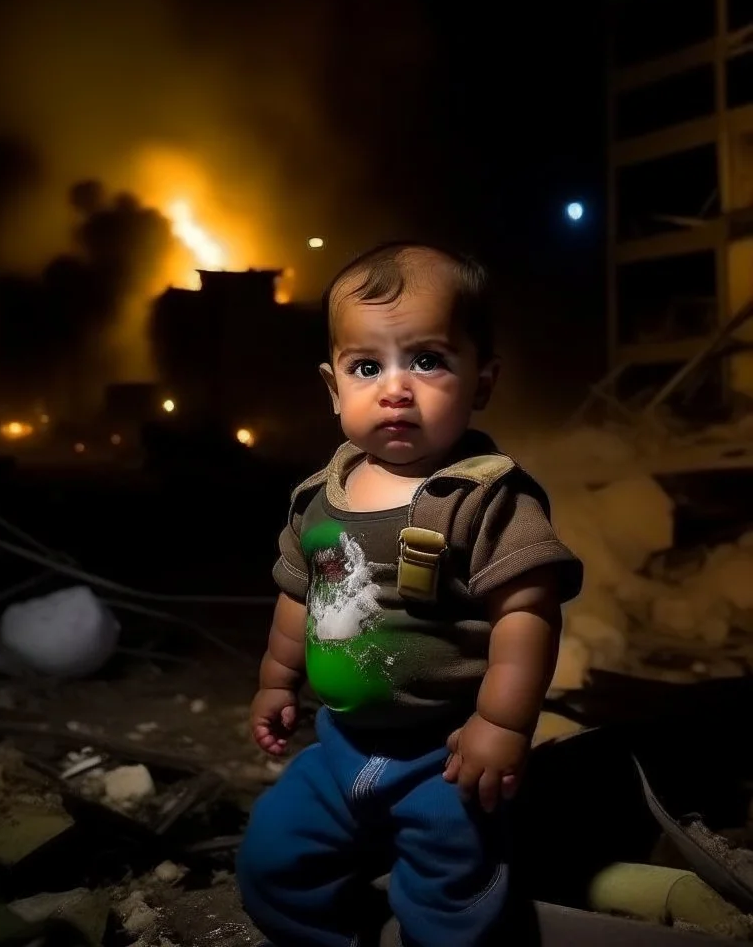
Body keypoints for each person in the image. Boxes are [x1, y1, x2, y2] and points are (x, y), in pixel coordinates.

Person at [236, 241, 583, 947]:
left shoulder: (483, 499)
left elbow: (527, 613)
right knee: (271, 863)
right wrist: (277, 680)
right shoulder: (317, 500)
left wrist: (503, 726)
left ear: (480, 382)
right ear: (334, 387)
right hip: (336, 747)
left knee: (453, 893)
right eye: (368, 367)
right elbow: (298, 598)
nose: (396, 388)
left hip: (446, 756)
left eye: (427, 360)